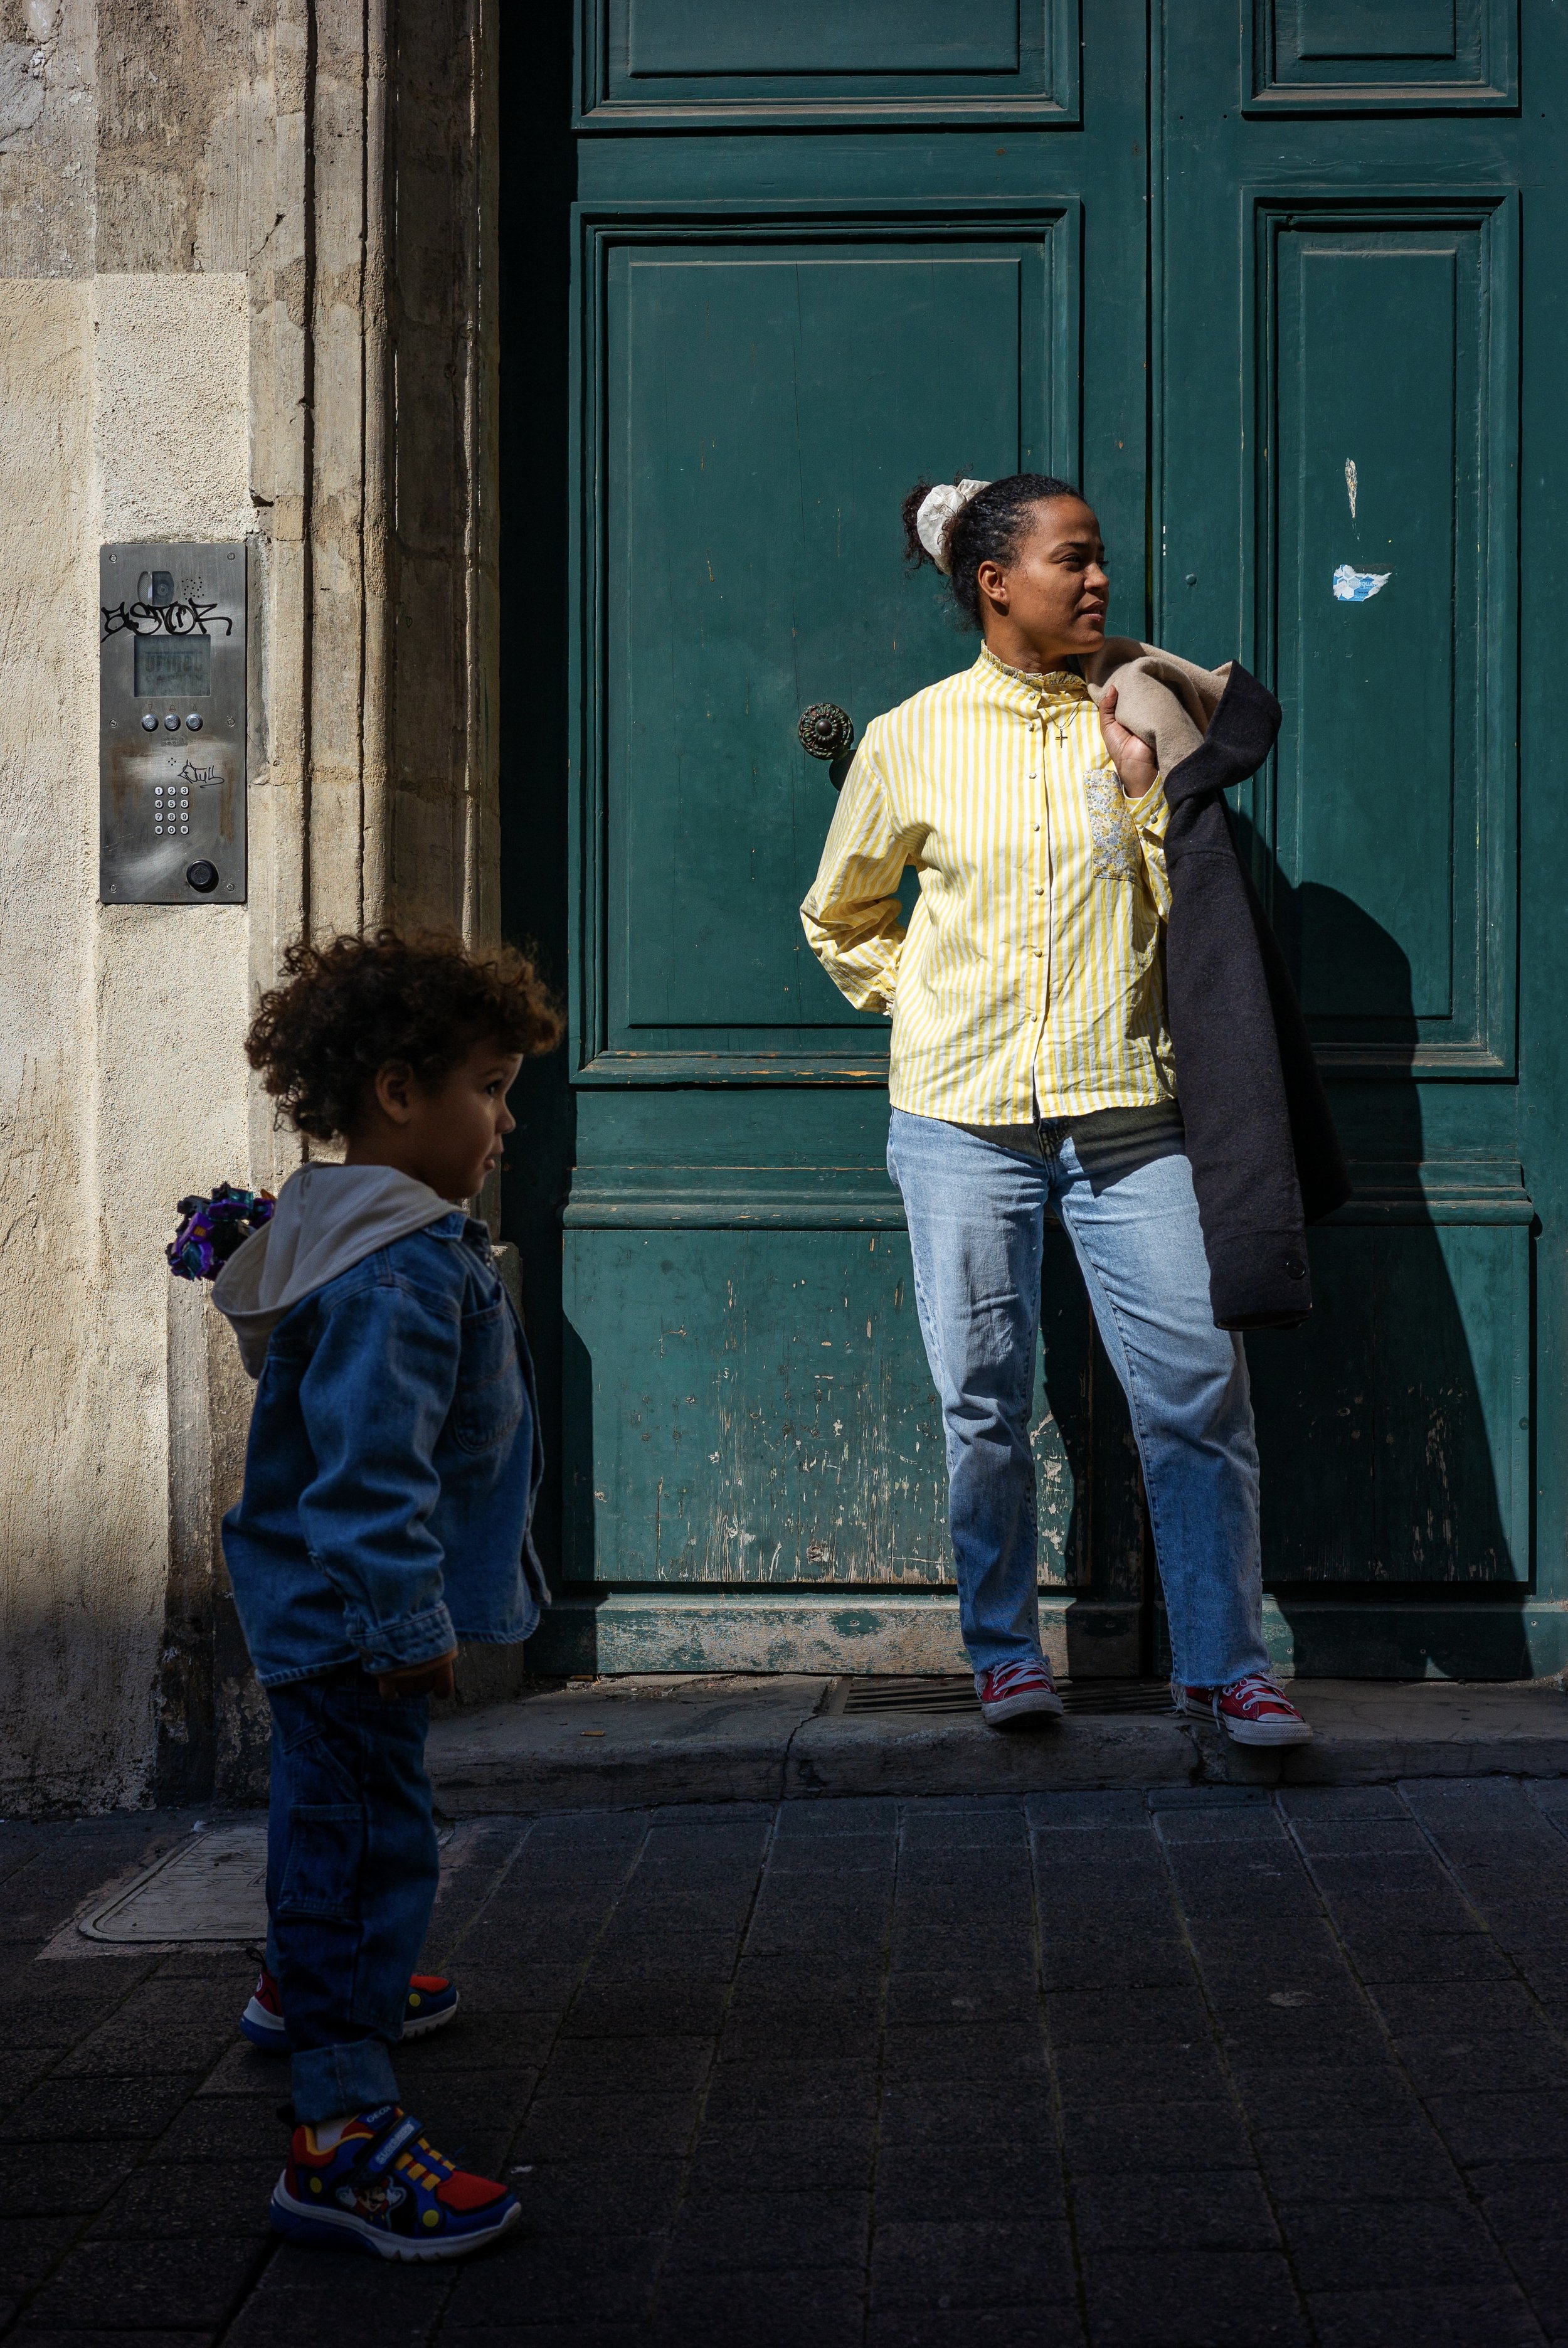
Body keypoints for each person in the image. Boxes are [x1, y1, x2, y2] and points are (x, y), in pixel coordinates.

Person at [800, 473, 1311, 1748]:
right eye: (1069, 561)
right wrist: (918, 995)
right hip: (959, 1119)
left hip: (1129, 1113)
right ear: (992, 581)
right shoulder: (910, 735)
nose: (1095, 582)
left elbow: (1183, 904)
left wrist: (1146, 786)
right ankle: (1001, 1655)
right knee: (982, 1399)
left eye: (1096, 562)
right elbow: (839, 914)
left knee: (1197, 1392)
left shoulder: (1133, 715)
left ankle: (1223, 1670)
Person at [210, 928, 561, 2258]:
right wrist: (410, 1629)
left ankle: (306, 1985)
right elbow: (368, 1479)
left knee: (334, 1816)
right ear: (399, 1093)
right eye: (486, 1086)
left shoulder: (345, 1223)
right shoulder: (400, 1269)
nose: (504, 1118)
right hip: (355, 1620)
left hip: (319, 1613)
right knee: (368, 1843)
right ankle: (341, 2135)